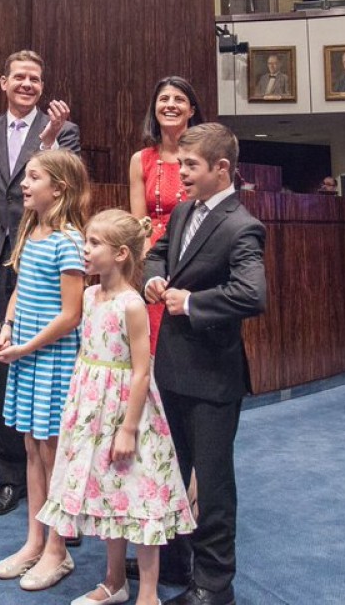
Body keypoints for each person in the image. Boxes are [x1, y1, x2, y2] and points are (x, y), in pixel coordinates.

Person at [39, 209, 196, 605]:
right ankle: (113, 582)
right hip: (92, 409)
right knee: (108, 495)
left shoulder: (131, 304)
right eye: (86, 241)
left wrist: (127, 427)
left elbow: (142, 371)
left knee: (139, 497)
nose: (85, 251)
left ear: (122, 253)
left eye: (94, 244)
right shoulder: (90, 296)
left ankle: (147, 594)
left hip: (129, 411)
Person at [0, 49, 81, 517]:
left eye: (35, 79)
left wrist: (48, 143)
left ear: (42, 87)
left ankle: (59, 482)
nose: (27, 84)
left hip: (42, 267)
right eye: (19, 77)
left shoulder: (62, 131)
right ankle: (11, 477)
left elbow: (72, 189)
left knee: (48, 373)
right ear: (3, 81)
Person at [143, 123, 267, 605]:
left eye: (190, 166)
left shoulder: (243, 225)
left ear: (221, 169)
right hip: (171, 367)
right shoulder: (182, 211)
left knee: (212, 486)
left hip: (213, 379)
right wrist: (154, 280)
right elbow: (157, 254)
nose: (180, 174)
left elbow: (252, 294)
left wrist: (192, 302)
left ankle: (214, 585)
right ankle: (173, 560)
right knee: (169, 472)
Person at [0, 151, 88, 592]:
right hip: (26, 355)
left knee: (54, 456)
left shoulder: (69, 240)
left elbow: (72, 313)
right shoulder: (32, 231)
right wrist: (7, 328)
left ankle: (58, 549)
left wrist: (26, 345)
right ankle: (34, 541)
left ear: (59, 189)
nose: (24, 184)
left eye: (33, 178)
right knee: (31, 449)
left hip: (54, 358)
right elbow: (19, 291)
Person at [129, 77, 204, 354]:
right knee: (154, 348)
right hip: (154, 262)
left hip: (195, 254)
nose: (170, 105)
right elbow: (140, 223)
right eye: (164, 99)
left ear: (192, 110)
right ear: (155, 107)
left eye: (179, 99)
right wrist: (151, 268)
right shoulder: (141, 159)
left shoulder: (204, 156)